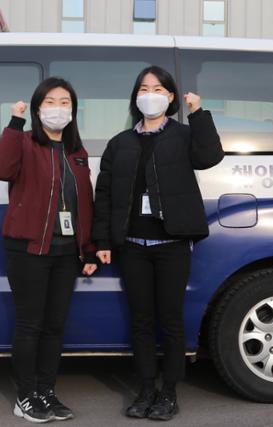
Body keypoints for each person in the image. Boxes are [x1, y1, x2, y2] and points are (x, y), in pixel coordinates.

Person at [92, 66, 224, 421]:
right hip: (132, 246)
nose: (150, 94)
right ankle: (146, 389)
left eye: (158, 88)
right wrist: (102, 240)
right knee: (141, 321)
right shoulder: (120, 143)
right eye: (144, 88)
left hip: (172, 244)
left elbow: (209, 156)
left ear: (169, 96)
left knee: (171, 320)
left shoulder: (183, 135)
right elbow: (103, 195)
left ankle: (169, 392)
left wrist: (197, 113)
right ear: (136, 97)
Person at [0, 77, 98, 423]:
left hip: (66, 253)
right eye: (50, 101)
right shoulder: (23, 142)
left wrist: (89, 250)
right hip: (29, 249)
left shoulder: (77, 153)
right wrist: (14, 122)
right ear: (39, 109)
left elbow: (85, 206)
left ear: (73, 110)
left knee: (55, 326)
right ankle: (25, 396)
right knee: (30, 325)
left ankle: (46, 392)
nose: (58, 108)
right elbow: (0, 170)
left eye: (65, 102)